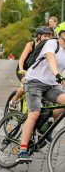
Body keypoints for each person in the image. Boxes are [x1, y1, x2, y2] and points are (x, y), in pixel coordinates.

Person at [16, 22, 65, 163]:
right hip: (34, 81)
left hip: (51, 84)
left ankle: (46, 124)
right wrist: (58, 74)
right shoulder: (51, 44)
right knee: (34, 113)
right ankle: (22, 150)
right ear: (60, 34)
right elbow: (50, 58)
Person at [9, 26, 52, 110]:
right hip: (24, 68)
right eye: (45, 36)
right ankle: (14, 100)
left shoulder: (48, 46)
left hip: (35, 71)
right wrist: (21, 69)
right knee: (26, 84)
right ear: (38, 36)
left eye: (48, 36)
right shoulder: (30, 45)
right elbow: (21, 60)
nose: (47, 38)